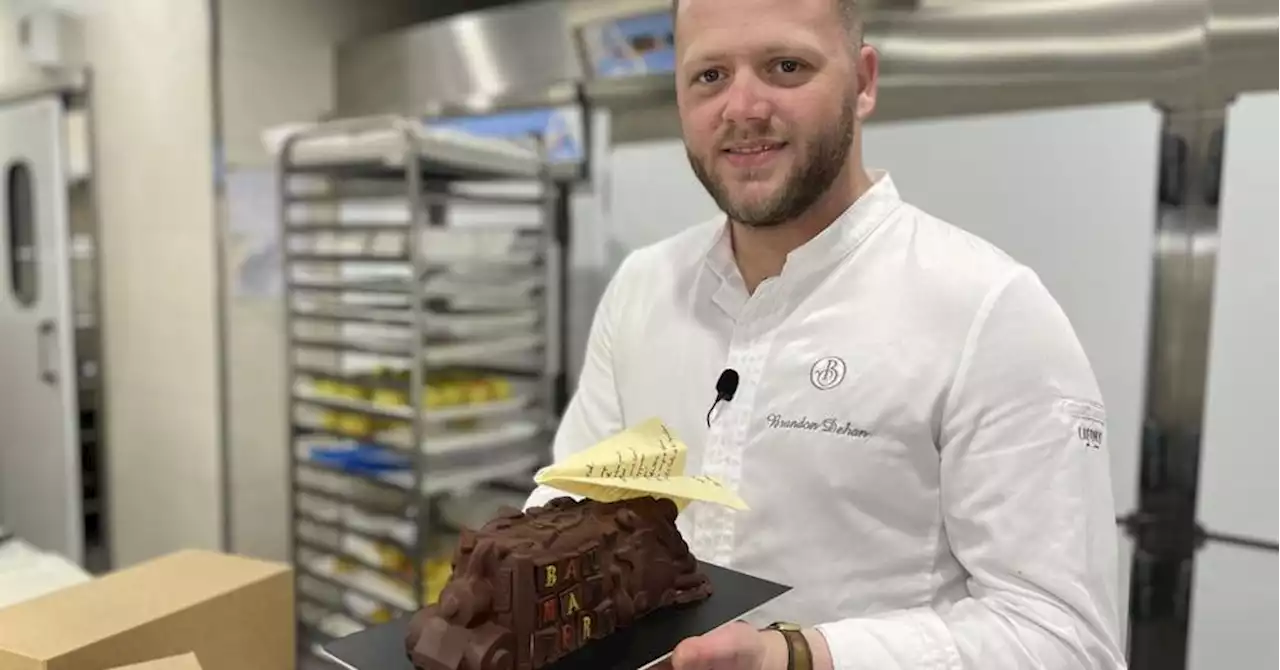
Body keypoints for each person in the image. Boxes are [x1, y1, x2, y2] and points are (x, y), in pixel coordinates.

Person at [522, 0, 1128, 668]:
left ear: (863, 81)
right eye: (709, 77)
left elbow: (1066, 643)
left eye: (786, 66)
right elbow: (577, 504)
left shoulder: (988, 311)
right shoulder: (643, 288)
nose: (742, 108)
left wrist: (802, 656)